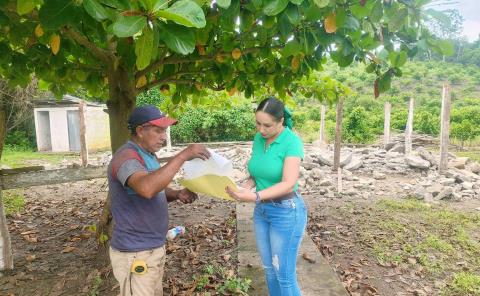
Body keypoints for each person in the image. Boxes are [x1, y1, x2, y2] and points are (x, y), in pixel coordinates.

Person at [108, 105, 210, 296]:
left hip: (152, 247)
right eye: (158, 130)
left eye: (165, 130)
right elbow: (146, 188)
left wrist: (176, 194)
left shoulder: (148, 156)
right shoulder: (126, 157)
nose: (164, 136)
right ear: (140, 131)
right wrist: (184, 155)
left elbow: (153, 189)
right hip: (135, 252)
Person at [226, 96, 307, 295]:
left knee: (284, 276)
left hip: (286, 212)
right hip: (263, 211)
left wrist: (254, 197)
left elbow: (288, 183)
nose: (261, 130)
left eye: (267, 125)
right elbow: (257, 172)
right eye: (258, 123)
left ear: (281, 122)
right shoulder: (258, 139)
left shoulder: (292, 142)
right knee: (269, 270)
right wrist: (246, 185)